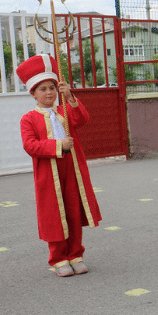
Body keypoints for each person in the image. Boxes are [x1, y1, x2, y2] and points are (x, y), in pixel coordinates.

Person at [17, 54, 102, 277]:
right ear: (33, 93)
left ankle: (75, 254)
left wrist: (70, 96)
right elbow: (30, 146)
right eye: (43, 89)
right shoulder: (28, 119)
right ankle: (58, 258)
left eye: (52, 88)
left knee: (74, 211)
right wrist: (58, 145)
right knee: (54, 215)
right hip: (49, 173)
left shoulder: (64, 110)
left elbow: (82, 119)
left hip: (72, 169)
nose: (48, 93)